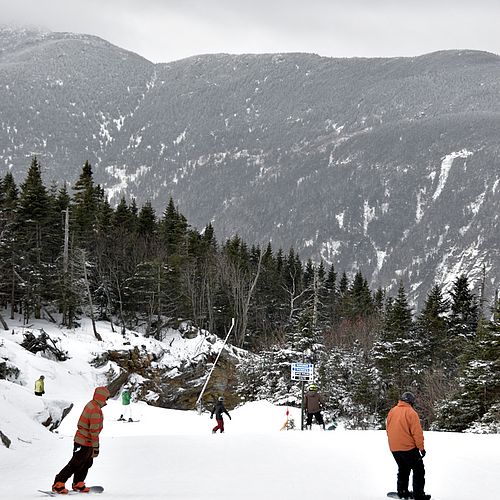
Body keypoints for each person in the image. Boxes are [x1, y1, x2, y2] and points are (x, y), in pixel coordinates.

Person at [51, 386, 110, 494]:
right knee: (75, 463)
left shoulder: (92, 404)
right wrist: (96, 447)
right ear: (102, 397)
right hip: (84, 441)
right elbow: (94, 431)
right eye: (106, 398)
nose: (106, 401)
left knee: (86, 462)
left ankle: (78, 483)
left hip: (86, 441)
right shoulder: (95, 409)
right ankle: (58, 483)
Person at [386, 391, 431, 500]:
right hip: (407, 447)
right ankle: (418, 494)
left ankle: (402, 491)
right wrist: (421, 448)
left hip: (394, 447)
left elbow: (388, 428)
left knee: (403, 468)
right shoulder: (411, 412)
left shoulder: (392, 411)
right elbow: (417, 432)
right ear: (411, 402)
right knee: (419, 469)